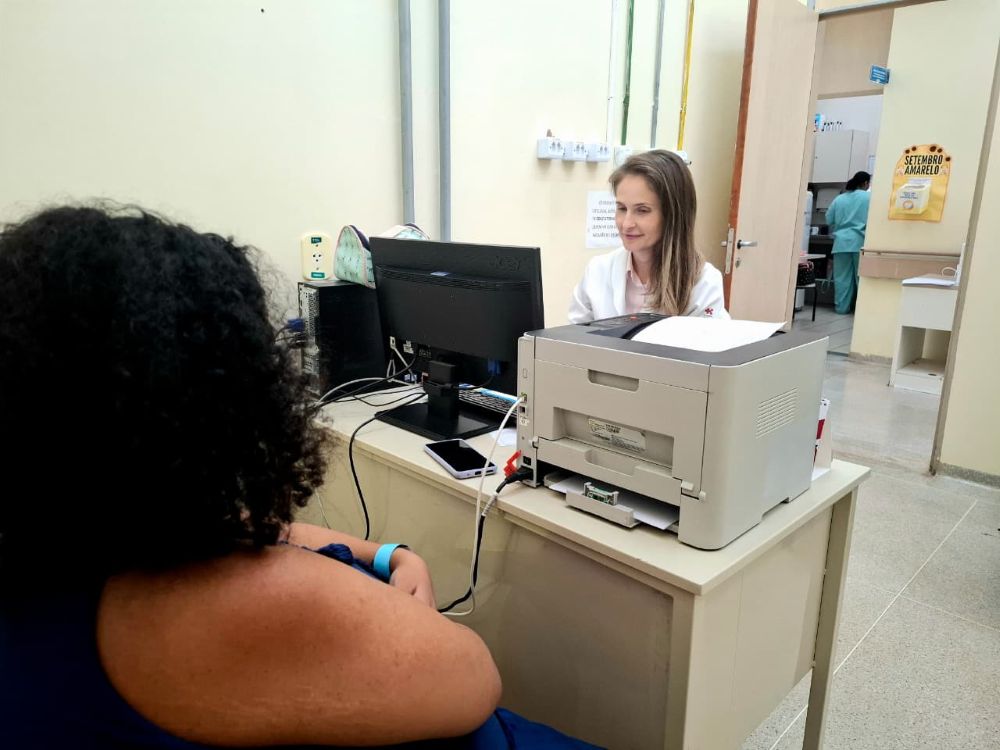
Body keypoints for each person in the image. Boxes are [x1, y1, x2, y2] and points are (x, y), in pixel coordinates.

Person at [0, 205, 600, 749]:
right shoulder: (253, 606)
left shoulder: (79, 559)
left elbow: (252, 530)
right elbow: (474, 678)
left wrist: (389, 554)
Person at [569, 150, 729, 323]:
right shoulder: (598, 270)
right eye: (622, 208)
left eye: (642, 210)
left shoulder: (704, 283)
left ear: (672, 216)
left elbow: (705, 345)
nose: (626, 224)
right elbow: (572, 342)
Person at [825, 170, 871, 314]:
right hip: (860, 243)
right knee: (862, 280)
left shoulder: (840, 199)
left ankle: (841, 308)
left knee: (842, 279)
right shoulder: (869, 197)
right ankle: (862, 312)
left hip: (841, 244)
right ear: (865, 183)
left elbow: (828, 219)